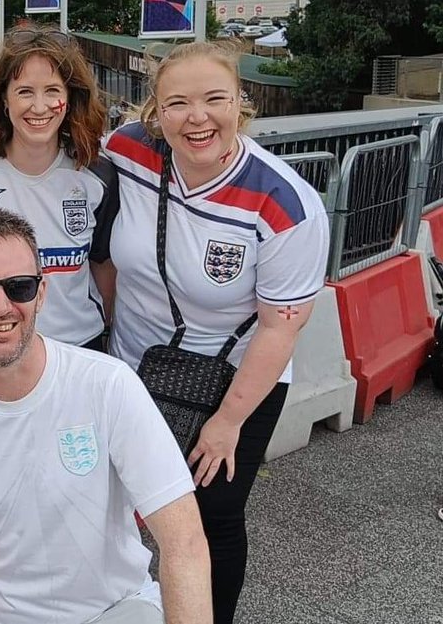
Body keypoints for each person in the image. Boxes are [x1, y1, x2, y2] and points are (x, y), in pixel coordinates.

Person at [102, 42, 329, 624]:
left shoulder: (286, 205)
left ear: (240, 105)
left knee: (211, 517)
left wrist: (227, 423)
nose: (196, 118)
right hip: (136, 366)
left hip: (237, 382)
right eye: (176, 103)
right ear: (154, 111)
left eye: (214, 100)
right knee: (108, 505)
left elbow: (282, 329)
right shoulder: (128, 151)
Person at [0, 206, 212, 624]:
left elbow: (184, 541)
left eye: (20, 287)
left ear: (41, 294)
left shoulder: (107, 385)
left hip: (114, 611)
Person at [0, 25, 117, 355]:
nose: (39, 106)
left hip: (81, 350)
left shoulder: (96, 174)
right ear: (5, 100)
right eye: (25, 92)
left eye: (51, 91)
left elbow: (103, 265)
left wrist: (110, 336)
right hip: (1, 352)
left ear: (70, 98)